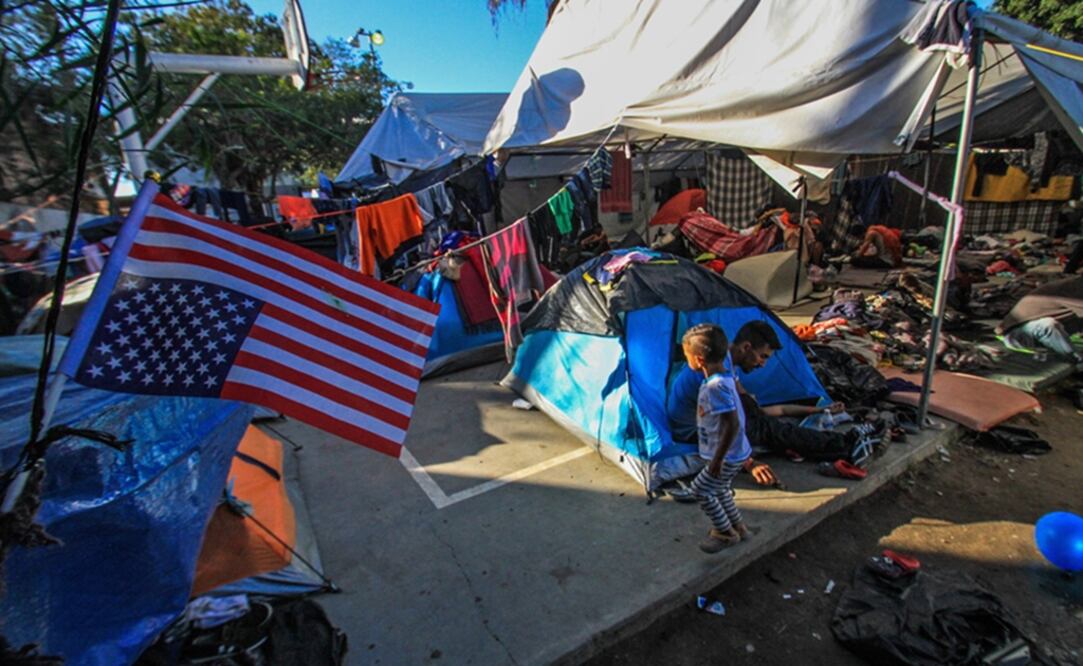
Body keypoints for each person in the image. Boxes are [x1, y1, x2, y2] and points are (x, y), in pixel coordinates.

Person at [668, 321, 877, 483]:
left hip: (706, 420)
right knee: (770, 429)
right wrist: (749, 463)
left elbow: (758, 408)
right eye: (762, 356)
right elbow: (726, 425)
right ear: (746, 347)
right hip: (692, 431)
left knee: (762, 417)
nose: (763, 364)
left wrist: (817, 409)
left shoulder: (726, 364)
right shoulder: (713, 377)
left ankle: (842, 442)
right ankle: (847, 446)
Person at [681, 324, 751, 553]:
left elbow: (732, 423)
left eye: (687, 356)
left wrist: (717, 460)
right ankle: (739, 527)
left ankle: (724, 533)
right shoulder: (725, 378)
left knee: (700, 490)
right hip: (733, 452)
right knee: (720, 489)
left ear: (699, 360)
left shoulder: (715, 386)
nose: (686, 360)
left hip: (726, 455)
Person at [996, 275, 1083, 366]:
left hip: (1042, 333)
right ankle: (1076, 361)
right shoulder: (1074, 289)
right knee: (1048, 325)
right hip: (1017, 335)